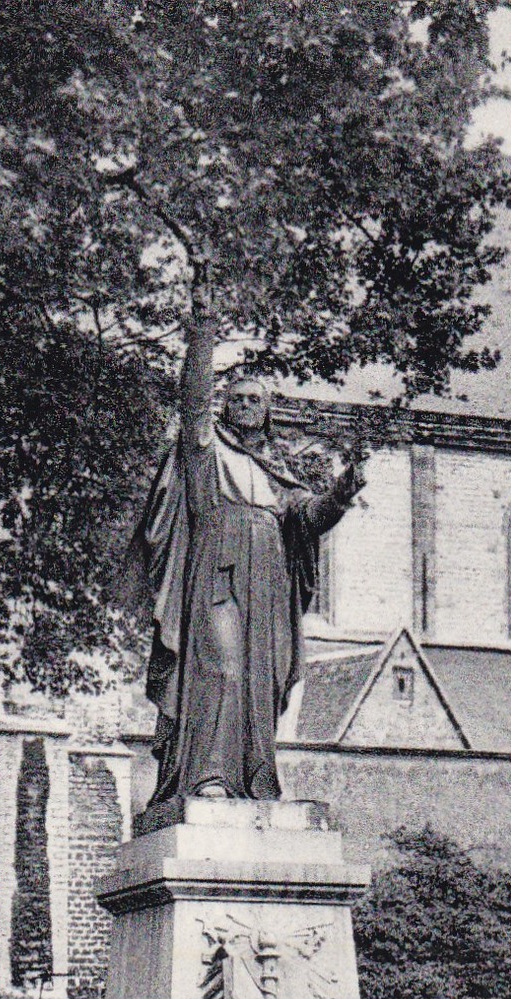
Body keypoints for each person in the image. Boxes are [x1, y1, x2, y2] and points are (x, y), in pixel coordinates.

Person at [131, 290, 365, 806]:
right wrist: (203, 328)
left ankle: (256, 781)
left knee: (261, 681)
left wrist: (344, 489)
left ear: (267, 412)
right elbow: (192, 403)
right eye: (235, 398)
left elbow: (309, 516)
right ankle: (206, 777)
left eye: (253, 399)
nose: (243, 406)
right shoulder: (205, 452)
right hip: (219, 570)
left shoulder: (278, 471)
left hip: (269, 580)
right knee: (222, 666)